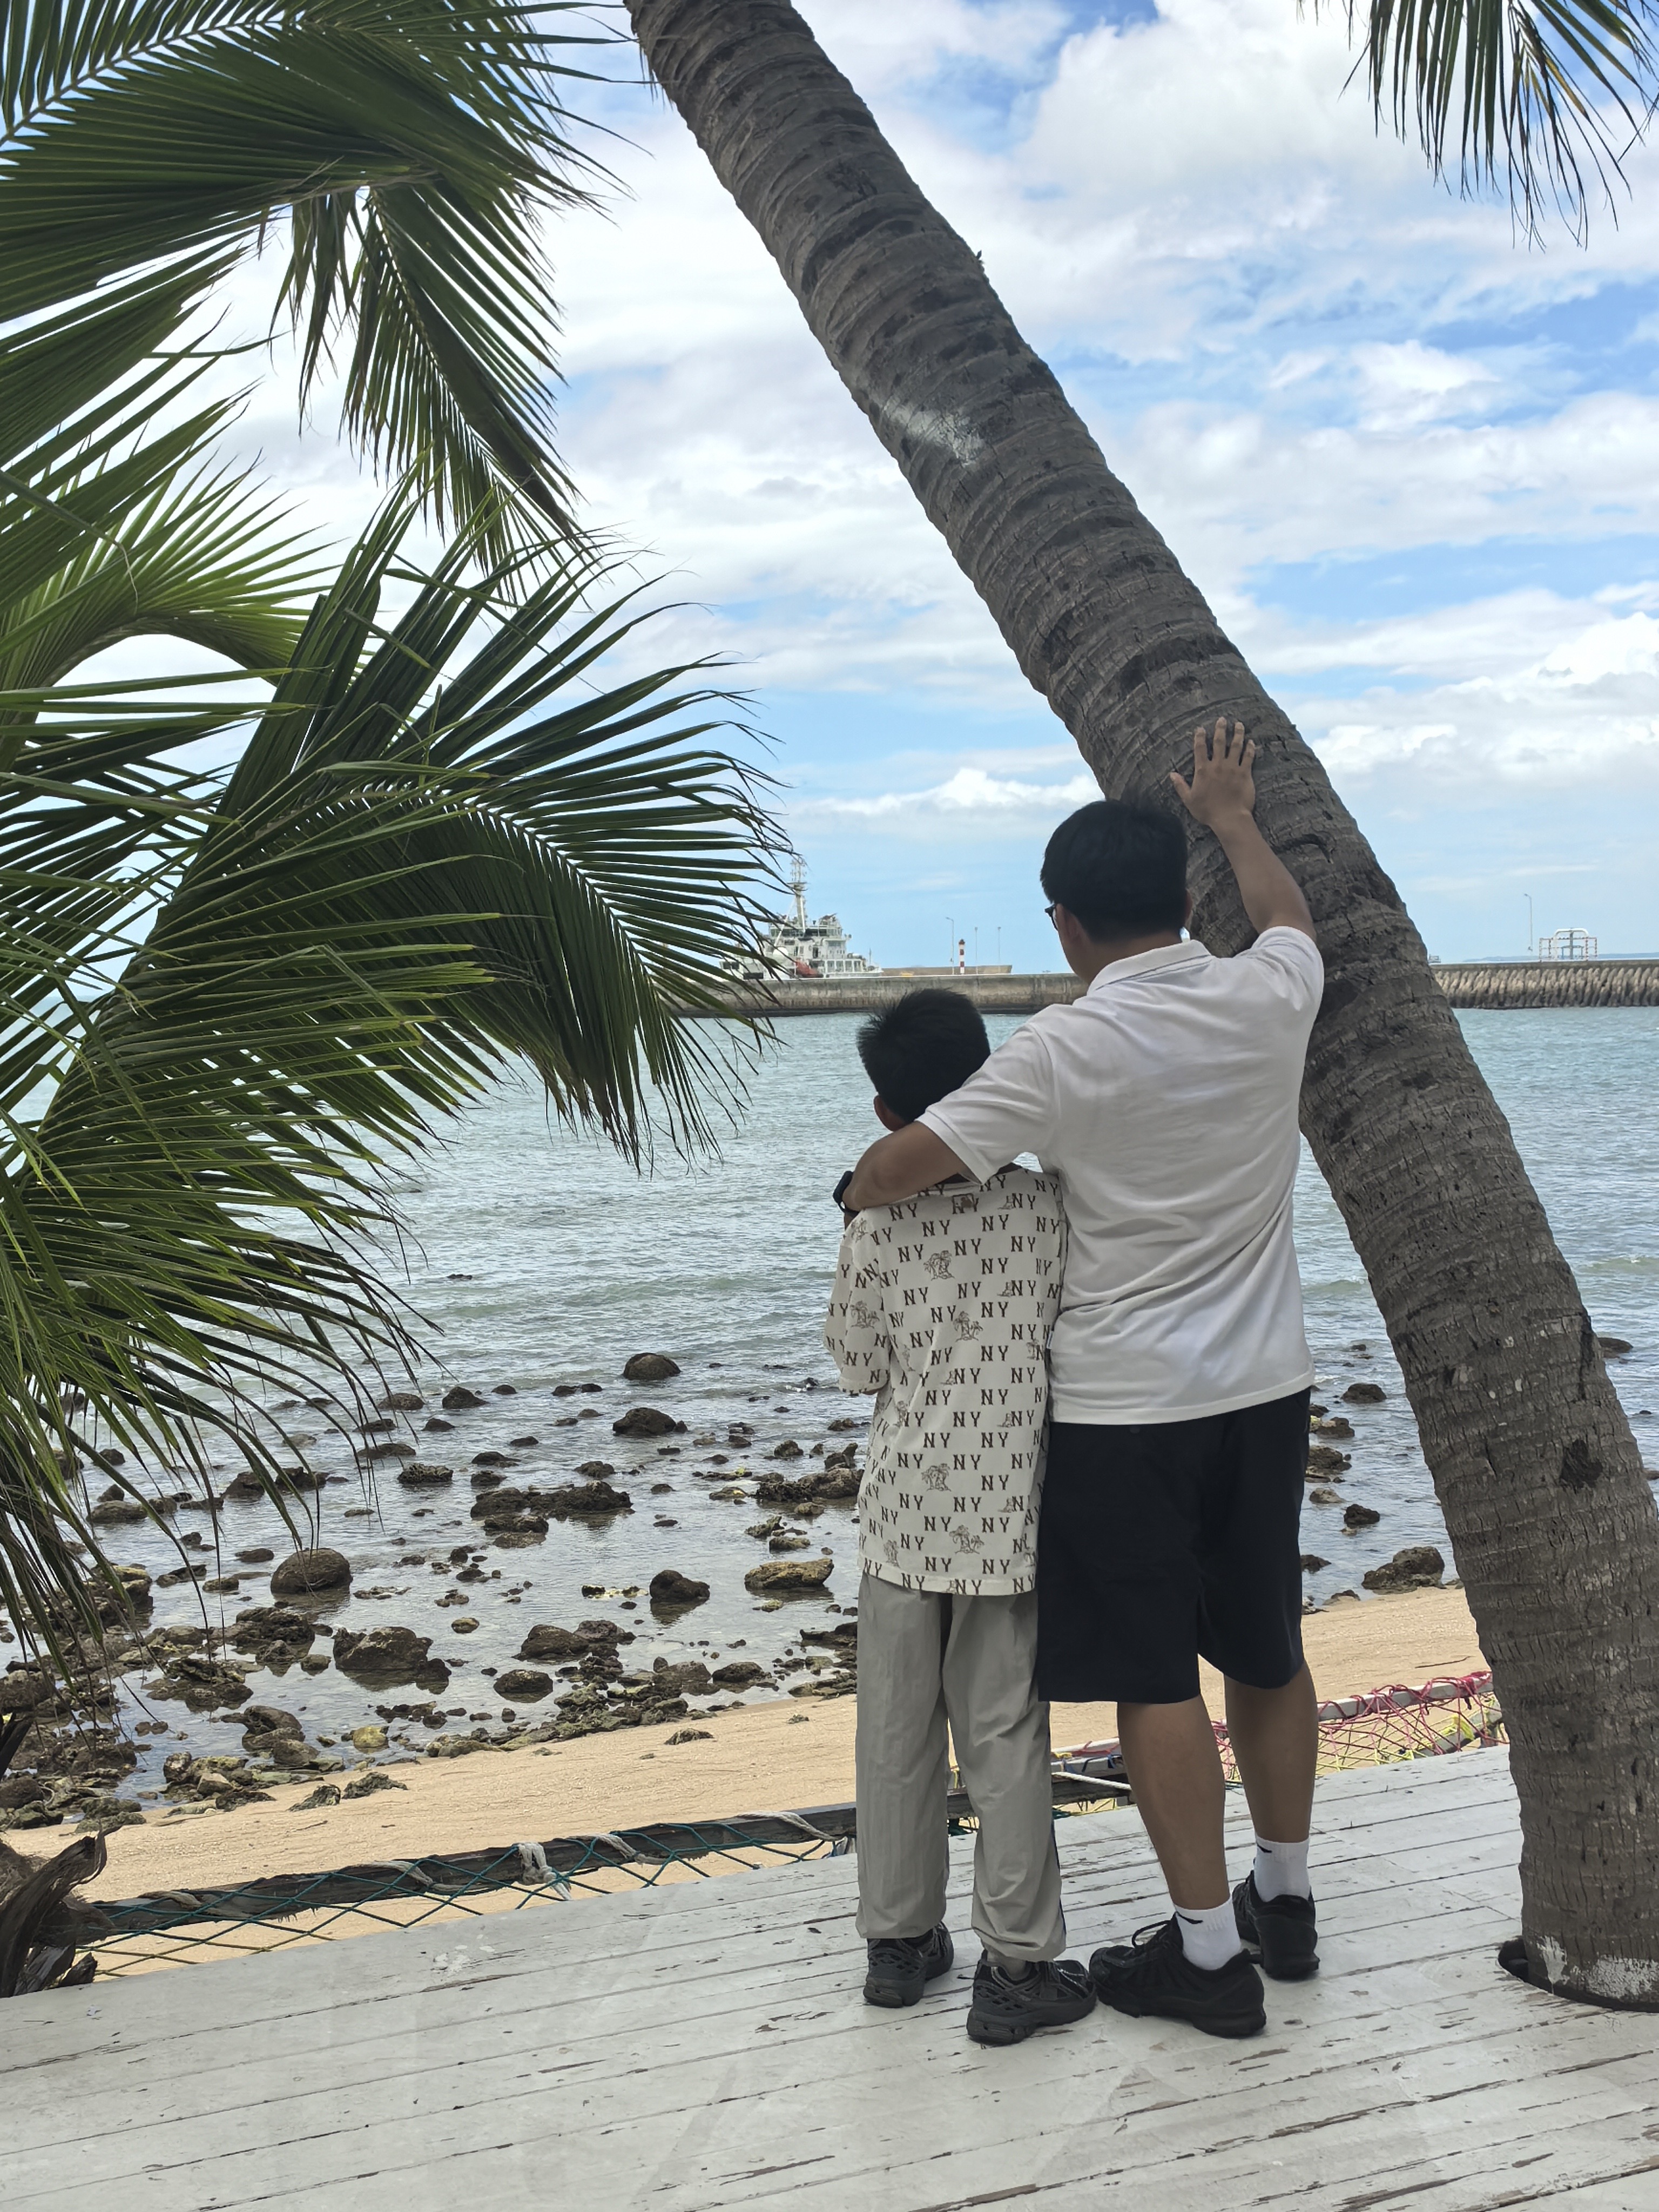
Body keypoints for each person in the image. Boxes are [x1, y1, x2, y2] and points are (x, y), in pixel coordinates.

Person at [841, 721, 1323, 2041]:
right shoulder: (1273, 990)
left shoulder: (1058, 1050)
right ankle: (1286, 1900)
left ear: (1064, 923)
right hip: (1265, 1385)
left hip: (1124, 1408)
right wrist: (1233, 814)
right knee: (1268, 1648)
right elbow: (1289, 918)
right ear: (1185, 900)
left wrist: (859, 1187)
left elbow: (905, 1166)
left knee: (1156, 1674)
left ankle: (1209, 1956)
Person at [824, 987, 1095, 2047]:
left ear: (886, 1113)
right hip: (1012, 1515)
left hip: (904, 1510)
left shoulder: (876, 1221)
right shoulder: (1045, 1205)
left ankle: (898, 1945)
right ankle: (1016, 1961)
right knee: (1005, 1734)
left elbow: (858, 1365)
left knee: (895, 1733)